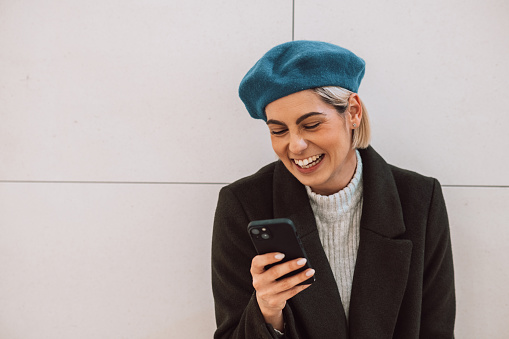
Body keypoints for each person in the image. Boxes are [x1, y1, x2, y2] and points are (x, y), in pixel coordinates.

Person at [211, 40, 455, 338]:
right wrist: (267, 312)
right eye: (278, 131)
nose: (296, 145)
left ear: (353, 112)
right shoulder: (243, 205)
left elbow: (436, 329)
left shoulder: (420, 199)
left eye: (311, 124)